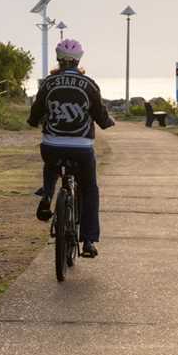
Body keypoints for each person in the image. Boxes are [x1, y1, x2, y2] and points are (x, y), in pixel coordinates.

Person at [27, 39, 114, 258]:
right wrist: (107, 122)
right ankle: (88, 241)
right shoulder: (89, 84)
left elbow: (35, 113)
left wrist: (34, 121)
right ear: (78, 60)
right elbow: (101, 117)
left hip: (52, 145)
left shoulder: (48, 83)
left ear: (58, 58)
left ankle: (47, 195)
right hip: (81, 147)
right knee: (90, 188)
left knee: (51, 164)